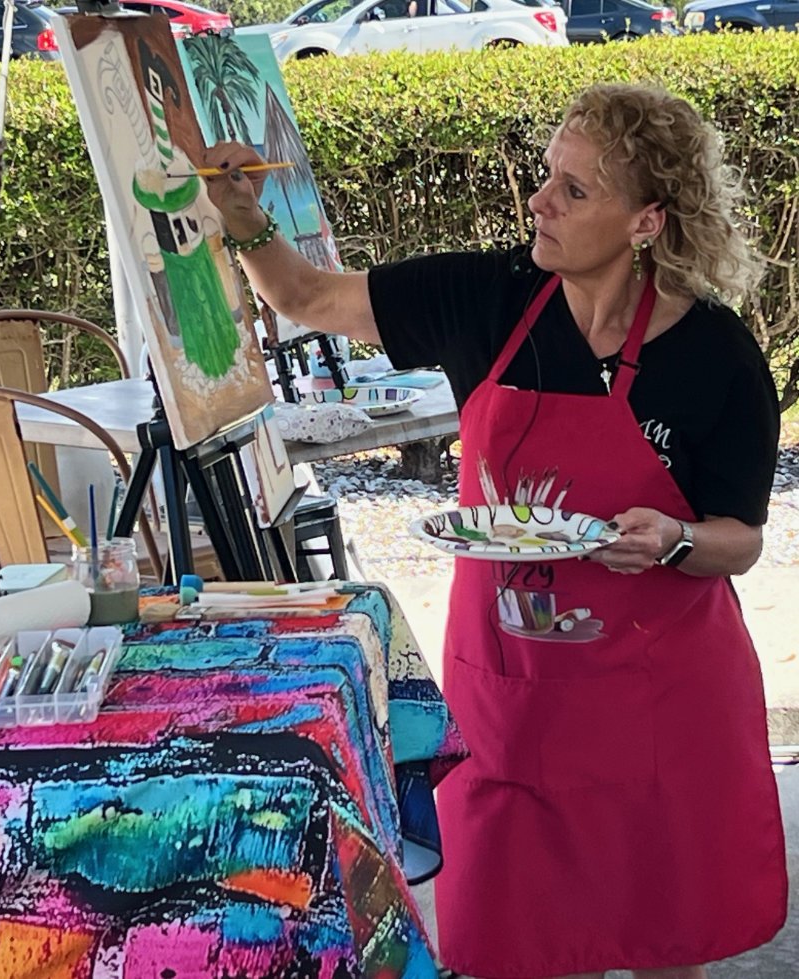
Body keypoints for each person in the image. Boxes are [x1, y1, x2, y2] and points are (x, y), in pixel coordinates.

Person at [203, 82, 788, 977]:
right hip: (517, 697)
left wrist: (672, 539)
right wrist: (241, 217)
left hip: (660, 701)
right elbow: (308, 297)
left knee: (663, 935)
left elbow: (737, 538)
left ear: (647, 222)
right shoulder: (488, 294)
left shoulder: (715, 353)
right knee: (530, 938)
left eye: (574, 190)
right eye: (546, 175)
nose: (538, 202)